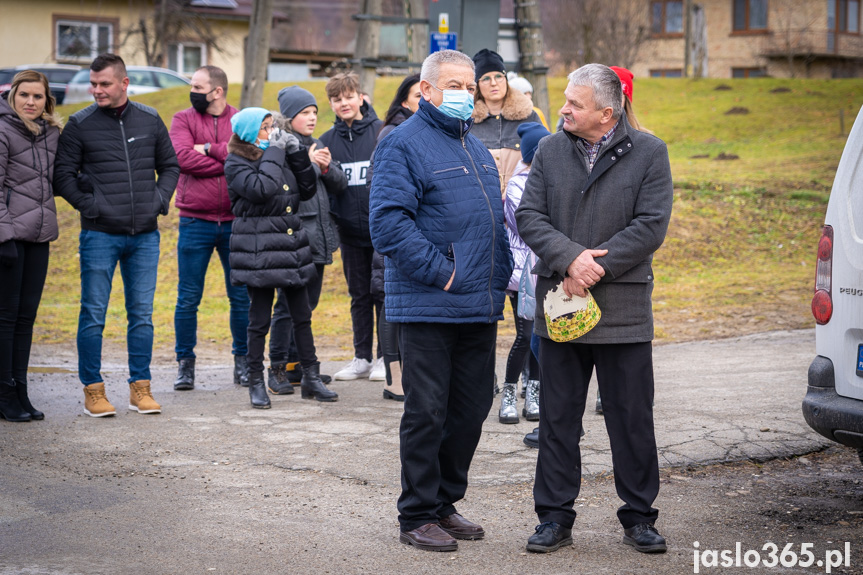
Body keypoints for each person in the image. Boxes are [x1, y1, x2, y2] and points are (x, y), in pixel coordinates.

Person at [516, 63, 673, 554]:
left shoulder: (650, 152)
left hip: (622, 312)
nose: (562, 109)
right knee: (557, 419)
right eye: (565, 99)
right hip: (561, 308)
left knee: (631, 419)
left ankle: (639, 517)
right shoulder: (548, 148)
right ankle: (554, 518)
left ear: (608, 113)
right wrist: (570, 260)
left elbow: (651, 226)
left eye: (574, 104)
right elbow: (529, 215)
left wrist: (592, 268)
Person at [369, 49, 512, 552]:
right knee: (427, 411)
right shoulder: (402, 144)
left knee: (471, 408)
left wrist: (500, 274)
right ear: (425, 90)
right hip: (432, 302)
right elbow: (387, 224)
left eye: (468, 85)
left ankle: (445, 503)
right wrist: (445, 275)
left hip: (479, 302)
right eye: (452, 84)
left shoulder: (471, 144)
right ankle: (416, 515)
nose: (464, 94)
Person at [53, 53, 179, 418]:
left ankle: (141, 388)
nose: (96, 90)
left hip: (145, 236)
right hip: (99, 235)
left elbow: (170, 165)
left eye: (104, 84)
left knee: (141, 315)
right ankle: (93, 390)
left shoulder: (150, 117)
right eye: (93, 84)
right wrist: (90, 207)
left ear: (124, 83)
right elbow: (62, 176)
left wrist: (159, 199)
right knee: (93, 313)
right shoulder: (79, 124)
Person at [224, 107, 337, 407]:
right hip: (259, 250)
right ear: (248, 132)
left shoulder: (278, 154)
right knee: (259, 320)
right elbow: (263, 189)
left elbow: (307, 190)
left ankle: (311, 378)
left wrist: (296, 152)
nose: (271, 132)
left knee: (302, 315)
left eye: (272, 126)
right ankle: (256, 382)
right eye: (264, 127)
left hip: (290, 246)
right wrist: (275, 151)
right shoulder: (236, 162)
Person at [170, 65, 250, 392]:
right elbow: (181, 158)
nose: (193, 91)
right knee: (188, 298)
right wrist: (228, 161)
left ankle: (243, 363)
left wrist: (209, 150)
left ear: (217, 91)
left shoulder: (241, 119)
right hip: (195, 221)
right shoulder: (182, 119)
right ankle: (185, 365)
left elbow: (251, 156)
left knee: (241, 297)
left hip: (237, 222)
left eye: (197, 85)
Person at [265, 86, 348, 393]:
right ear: (289, 117)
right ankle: (277, 370)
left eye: (314, 112)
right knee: (286, 307)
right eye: (305, 113)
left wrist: (325, 167)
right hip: (294, 240)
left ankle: (297, 365)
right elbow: (288, 189)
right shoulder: (281, 147)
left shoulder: (317, 144)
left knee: (306, 307)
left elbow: (340, 184)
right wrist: (312, 165)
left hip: (320, 239)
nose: (312, 118)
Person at [0, 70, 63, 422]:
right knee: (5, 318)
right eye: (24, 95)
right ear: (13, 96)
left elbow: (57, 180)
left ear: (46, 101)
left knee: (26, 318)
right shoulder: (3, 129)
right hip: (9, 238)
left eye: (38, 97)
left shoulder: (51, 134)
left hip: (39, 236)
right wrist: (4, 236)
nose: (30, 102)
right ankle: (4, 393)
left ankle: (20, 388)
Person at [319, 72, 385, 382]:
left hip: (382, 233)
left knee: (383, 293)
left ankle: (387, 357)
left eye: (349, 96)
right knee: (358, 295)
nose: (344, 103)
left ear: (360, 97)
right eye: (337, 99)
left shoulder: (381, 131)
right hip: (349, 233)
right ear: (331, 103)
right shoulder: (326, 142)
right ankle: (362, 357)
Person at [368, 73, 421, 402]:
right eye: (417, 95)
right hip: (396, 230)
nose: (423, 100)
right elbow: (381, 186)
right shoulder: (393, 132)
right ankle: (394, 378)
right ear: (404, 101)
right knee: (390, 303)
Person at [498, 122, 549, 425]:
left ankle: (534, 390)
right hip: (522, 274)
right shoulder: (519, 184)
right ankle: (508, 391)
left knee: (540, 336)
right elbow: (529, 226)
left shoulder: (550, 180)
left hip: (546, 271)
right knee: (525, 334)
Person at [470, 49, 541, 195]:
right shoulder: (467, 121)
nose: (494, 83)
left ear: (506, 80)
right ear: (477, 84)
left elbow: (544, 160)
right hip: (481, 200)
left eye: (498, 76)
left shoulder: (528, 115)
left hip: (522, 200)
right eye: (486, 78)